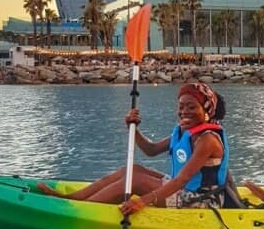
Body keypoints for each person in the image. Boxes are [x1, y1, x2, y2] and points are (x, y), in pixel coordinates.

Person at [37, 82, 230, 214]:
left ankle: (78, 210)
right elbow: (151, 150)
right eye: (181, 107)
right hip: (185, 189)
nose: (184, 112)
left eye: (191, 107)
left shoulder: (208, 139)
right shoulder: (183, 132)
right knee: (132, 170)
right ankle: (71, 198)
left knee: (137, 180)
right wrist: (133, 128)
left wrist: (143, 200)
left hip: (204, 200)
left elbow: (182, 179)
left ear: (207, 111)